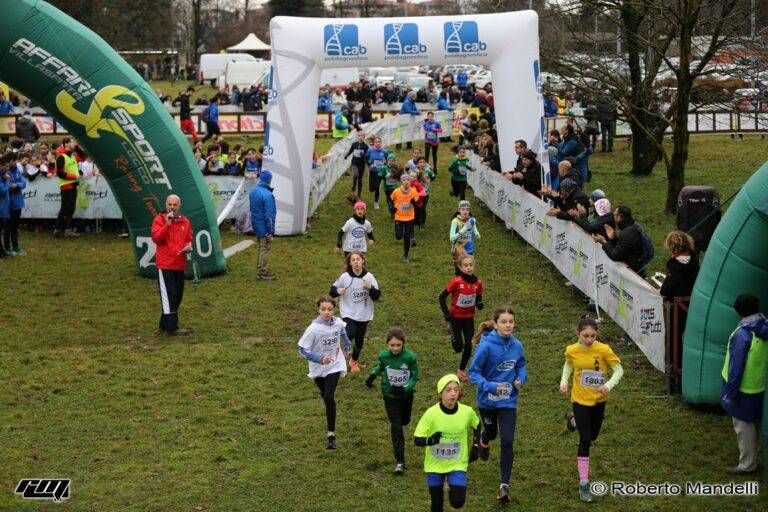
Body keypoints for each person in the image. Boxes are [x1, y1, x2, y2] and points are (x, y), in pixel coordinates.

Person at [559, 316, 623, 502]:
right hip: (579, 399)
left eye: (593, 336)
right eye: (585, 335)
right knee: (585, 439)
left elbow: (619, 370)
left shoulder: (603, 349)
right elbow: (568, 365)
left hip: (599, 399)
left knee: (593, 435)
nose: (589, 339)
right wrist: (564, 382)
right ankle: (584, 483)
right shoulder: (572, 350)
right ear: (578, 333)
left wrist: (608, 385)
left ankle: (573, 421)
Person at [467, 306, 527, 504]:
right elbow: (473, 372)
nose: (508, 325)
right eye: (504, 322)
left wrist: (520, 378)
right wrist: (490, 386)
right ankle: (483, 441)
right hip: (487, 401)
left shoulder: (517, 345)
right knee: (492, 433)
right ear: (495, 324)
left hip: (508, 401)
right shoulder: (486, 346)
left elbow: (521, 364)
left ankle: (504, 486)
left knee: (507, 440)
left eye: (511, 321)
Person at [414, 374, 481, 512]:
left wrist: (476, 445)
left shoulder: (466, 412)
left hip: (457, 463)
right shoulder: (431, 414)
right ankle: (445, 483)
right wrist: (430, 440)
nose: (453, 394)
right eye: (448, 390)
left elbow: (477, 425)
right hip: (435, 464)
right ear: (441, 393)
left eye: (456, 390)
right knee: (437, 504)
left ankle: (450, 484)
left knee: (457, 502)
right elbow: (417, 439)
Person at [721, 294, 768, 475]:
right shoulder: (763, 325)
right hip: (759, 384)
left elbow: (737, 366)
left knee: (743, 426)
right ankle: (756, 457)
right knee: (755, 423)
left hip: (743, 387)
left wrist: (731, 393)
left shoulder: (743, 334)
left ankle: (748, 464)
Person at [298, 296, 353, 450]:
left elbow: (342, 333)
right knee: (326, 398)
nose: (327, 312)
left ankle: (331, 435)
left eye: (330, 309)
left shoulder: (337, 323)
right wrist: (319, 359)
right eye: (323, 309)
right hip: (317, 367)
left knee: (329, 396)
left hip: (335, 364)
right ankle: (331, 427)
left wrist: (348, 347)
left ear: (334, 309)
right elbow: (302, 350)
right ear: (318, 310)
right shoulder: (313, 329)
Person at [365, 327, 420, 474]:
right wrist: (372, 375)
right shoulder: (383, 356)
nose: (395, 348)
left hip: (406, 397)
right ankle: (400, 461)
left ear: (403, 344)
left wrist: (405, 388)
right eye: (392, 345)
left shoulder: (410, 357)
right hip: (390, 396)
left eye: (398, 345)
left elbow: (415, 377)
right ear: (387, 345)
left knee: (405, 421)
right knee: (396, 427)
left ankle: (403, 422)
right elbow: (381, 366)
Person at [329, 251, 381, 372]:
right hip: (348, 312)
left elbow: (377, 296)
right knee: (350, 332)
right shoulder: (345, 277)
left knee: (359, 340)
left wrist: (370, 288)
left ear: (363, 261)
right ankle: (342, 352)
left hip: (364, 314)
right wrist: (338, 291)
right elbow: (332, 291)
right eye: (353, 260)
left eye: (358, 259)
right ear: (350, 263)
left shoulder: (369, 277)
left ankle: (353, 361)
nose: (356, 262)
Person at [150, 194, 193, 336]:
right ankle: (171, 328)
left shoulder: (185, 222)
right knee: (169, 296)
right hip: (165, 264)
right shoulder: (159, 220)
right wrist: (167, 225)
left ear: (179, 206)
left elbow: (188, 238)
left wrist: (188, 246)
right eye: (170, 204)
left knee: (177, 296)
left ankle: (163, 325)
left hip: (179, 264)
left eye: (175, 205)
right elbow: (156, 238)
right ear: (166, 204)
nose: (172, 207)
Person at [440, 254, 484, 381]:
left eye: (471, 265)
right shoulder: (457, 282)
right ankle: (452, 330)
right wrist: (447, 315)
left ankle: (461, 370)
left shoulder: (477, 282)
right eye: (465, 265)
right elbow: (441, 297)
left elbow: (478, 296)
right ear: (460, 267)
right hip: (455, 317)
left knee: (469, 344)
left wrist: (479, 303)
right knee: (458, 347)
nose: (469, 268)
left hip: (468, 318)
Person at [592, 205, 646, 276]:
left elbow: (615, 256)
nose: (613, 217)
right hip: (633, 265)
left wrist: (603, 241)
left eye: (614, 215)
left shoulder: (627, 233)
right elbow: (622, 248)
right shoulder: (631, 226)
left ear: (619, 216)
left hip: (632, 272)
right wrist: (612, 238)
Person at [249, 170, 277, 280]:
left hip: (256, 225)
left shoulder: (253, 192)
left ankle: (260, 269)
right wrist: (270, 232)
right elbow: (269, 216)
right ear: (269, 180)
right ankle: (263, 271)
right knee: (265, 248)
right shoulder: (268, 195)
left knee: (261, 247)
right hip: (264, 227)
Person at [53, 137, 81, 238]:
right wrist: (74, 176)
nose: (74, 143)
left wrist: (77, 146)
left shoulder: (73, 156)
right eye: (72, 142)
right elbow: (59, 173)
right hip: (66, 185)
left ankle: (67, 230)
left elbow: (84, 156)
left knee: (71, 208)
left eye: (74, 142)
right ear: (66, 144)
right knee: (65, 208)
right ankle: (57, 229)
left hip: (74, 184)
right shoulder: (61, 157)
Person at [391, 173, 420, 263]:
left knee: (407, 236)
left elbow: (419, 204)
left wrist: (414, 202)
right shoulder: (396, 191)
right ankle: (397, 232)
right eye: (404, 180)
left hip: (409, 217)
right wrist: (393, 208)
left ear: (410, 181)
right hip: (399, 217)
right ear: (401, 181)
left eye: (408, 180)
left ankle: (406, 254)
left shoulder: (413, 191)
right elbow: (391, 199)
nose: (406, 181)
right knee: (399, 236)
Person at [4, 152, 26, 255]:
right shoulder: (5, 172)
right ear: (9, 161)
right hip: (8, 204)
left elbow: (24, 183)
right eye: (14, 161)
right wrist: (13, 185)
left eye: (16, 160)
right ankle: (7, 248)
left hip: (18, 203)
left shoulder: (17, 170)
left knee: (15, 226)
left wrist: (17, 185)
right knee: (7, 227)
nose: (16, 162)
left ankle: (16, 247)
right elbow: (7, 185)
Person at [366, 137, 388, 209]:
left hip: (380, 172)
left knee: (377, 187)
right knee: (371, 189)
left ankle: (376, 202)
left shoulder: (384, 151)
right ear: (374, 143)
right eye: (376, 142)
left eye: (379, 142)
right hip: (372, 171)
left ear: (381, 143)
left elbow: (388, 160)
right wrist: (369, 165)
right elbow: (366, 158)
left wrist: (385, 164)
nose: (378, 143)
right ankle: (373, 188)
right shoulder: (370, 150)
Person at [344, 131, 368, 196]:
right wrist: (347, 155)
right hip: (354, 162)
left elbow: (367, 155)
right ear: (357, 136)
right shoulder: (354, 144)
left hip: (361, 164)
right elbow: (351, 150)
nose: (361, 137)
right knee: (356, 175)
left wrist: (364, 155)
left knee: (360, 179)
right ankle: (354, 185)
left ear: (364, 137)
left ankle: (359, 193)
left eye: (362, 136)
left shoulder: (365, 146)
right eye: (359, 136)